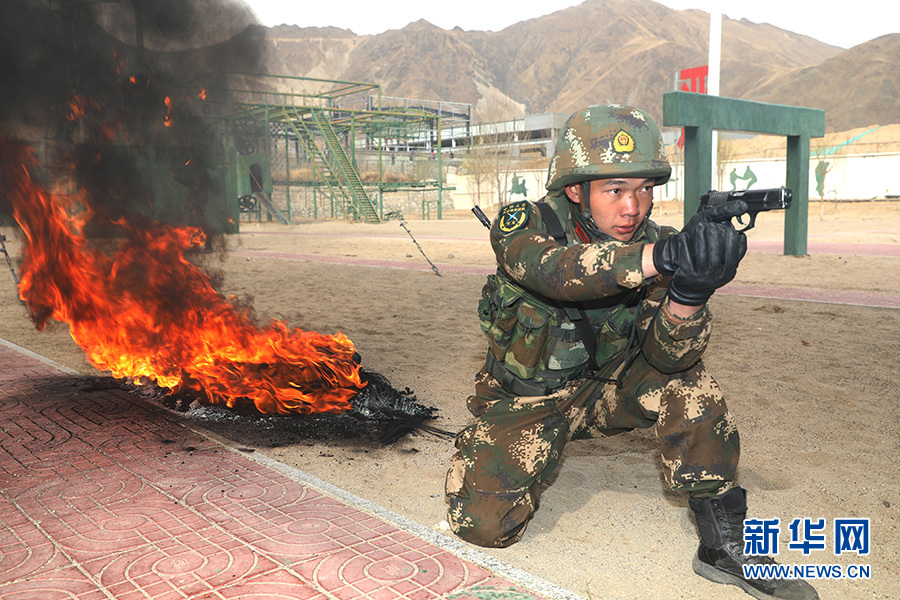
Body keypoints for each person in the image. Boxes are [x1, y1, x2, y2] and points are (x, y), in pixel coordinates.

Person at [445, 104, 818, 600]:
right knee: (484, 527)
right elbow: (556, 271)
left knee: (689, 384)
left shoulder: (659, 244)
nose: (633, 207)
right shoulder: (526, 224)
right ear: (575, 190)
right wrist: (661, 258)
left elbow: (668, 359)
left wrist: (689, 294)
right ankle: (487, 446)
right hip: (526, 402)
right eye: (615, 190)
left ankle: (724, 547)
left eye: (644, 189)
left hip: (607, 393)